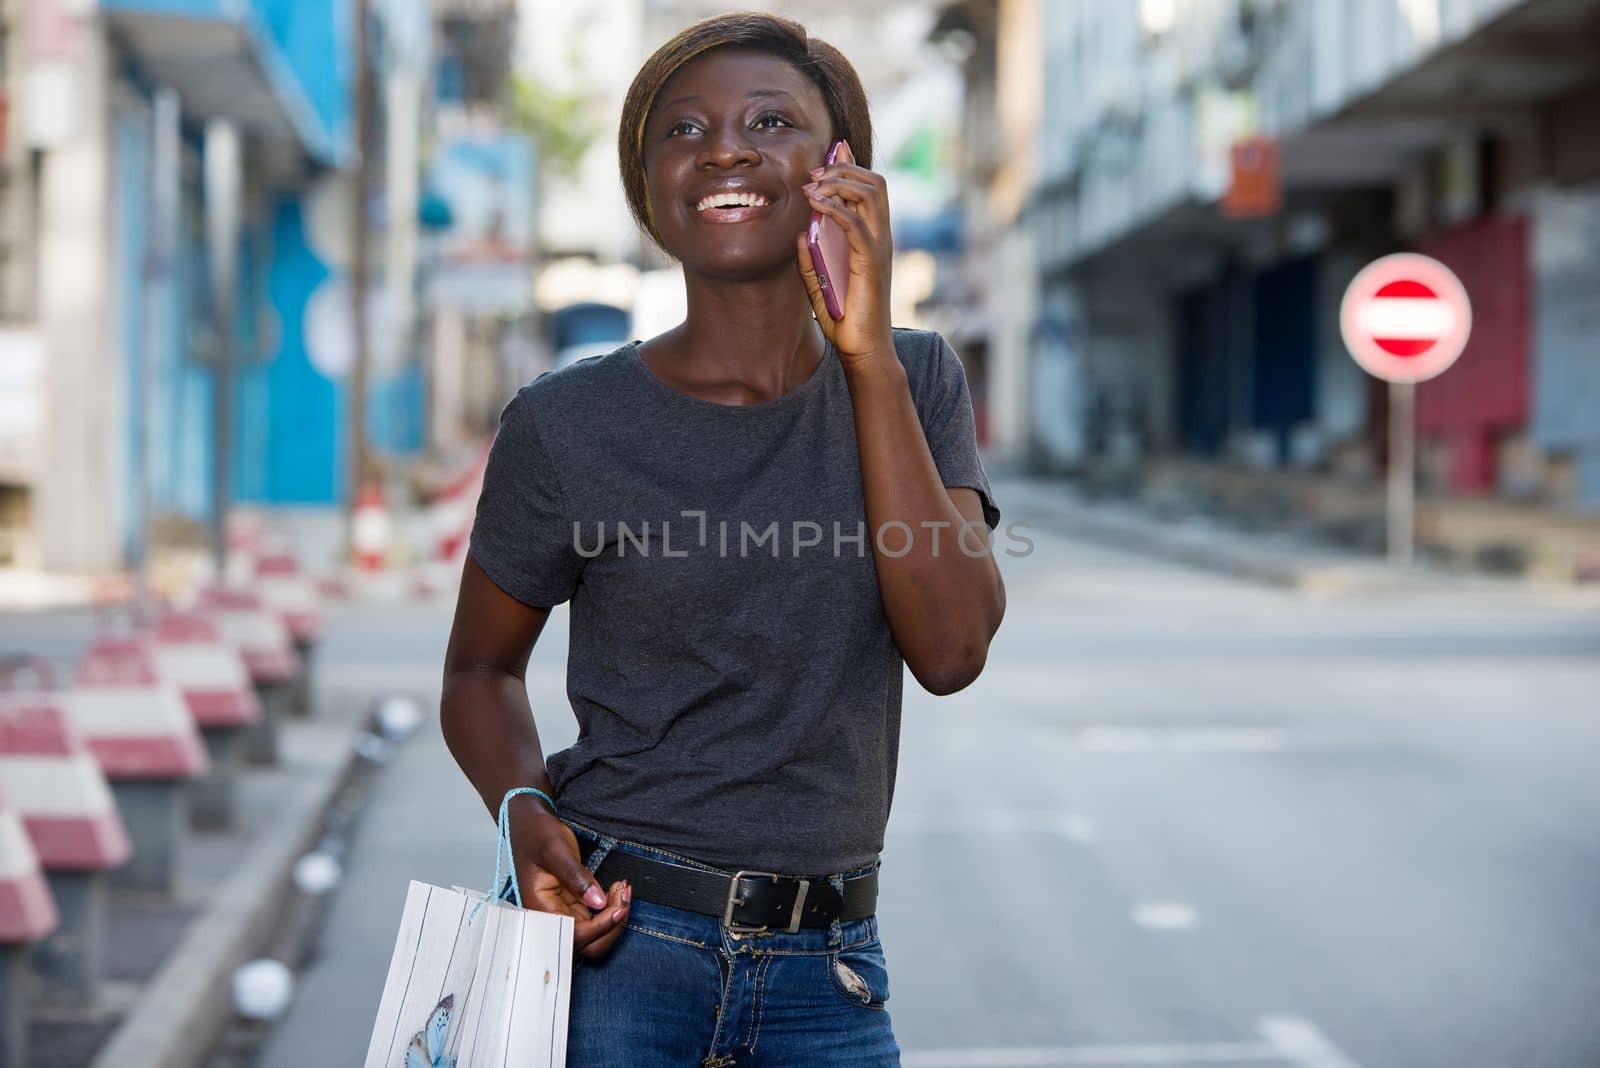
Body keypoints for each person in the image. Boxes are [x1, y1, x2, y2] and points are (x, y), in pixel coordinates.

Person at [440, 11, 1005, 1065]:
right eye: (682, 130)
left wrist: (867, 358)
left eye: (770, 121)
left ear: (840, 171)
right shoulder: (565, 423)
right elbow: (478, 669)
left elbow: (952, 652)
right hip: (616, 957)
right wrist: (521, 808)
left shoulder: (917, 377)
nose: (726, 148)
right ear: (650, 187)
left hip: (828, 974)